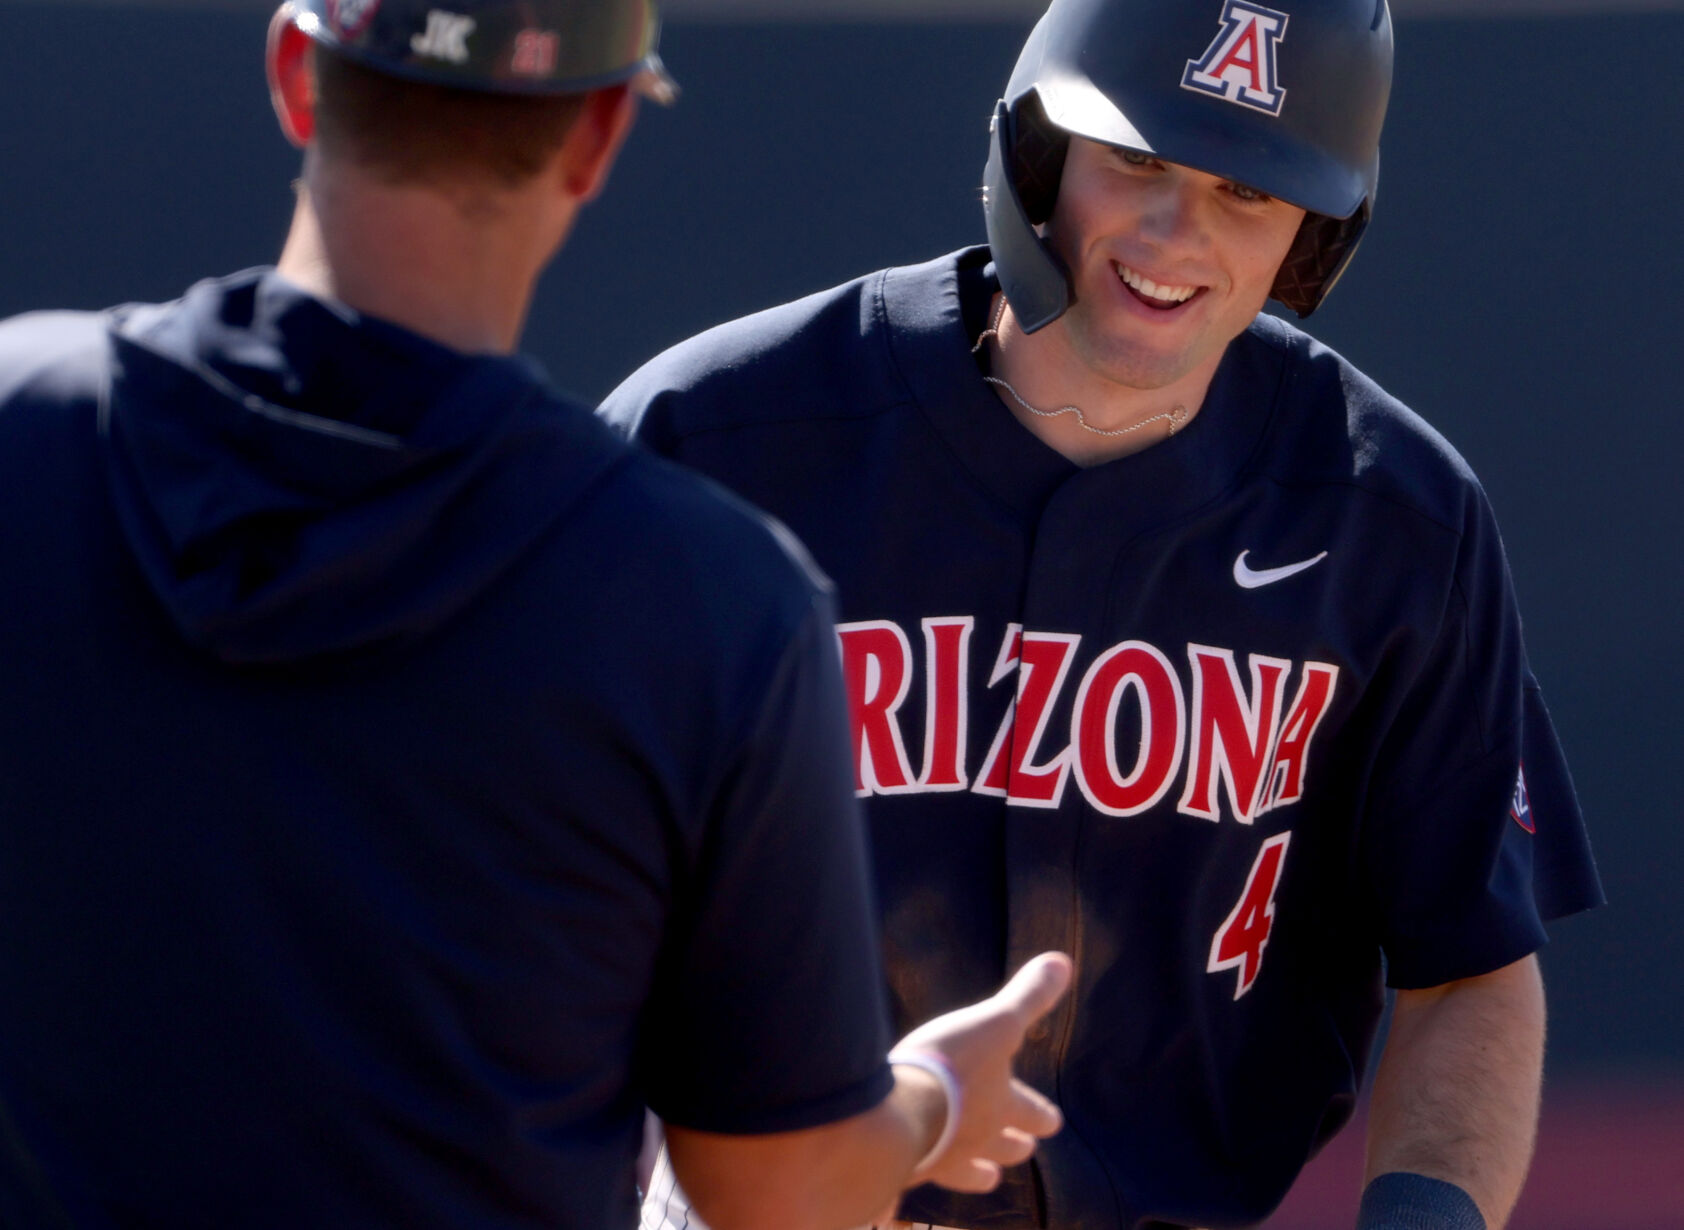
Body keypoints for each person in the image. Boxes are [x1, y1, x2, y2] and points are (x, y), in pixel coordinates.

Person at [0, 2, 1075, 1227]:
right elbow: (779, 1193)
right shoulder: (705, 602)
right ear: (598, 136)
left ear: (296, 72)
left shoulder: (21, 426)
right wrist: (932, 1094)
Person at [600, 0, 1605, 1227]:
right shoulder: (717, 442)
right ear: (1037, 153)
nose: (1180, 233)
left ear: (1315, 232)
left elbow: (1472, 969)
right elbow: (524, 901)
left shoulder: (1393, 519)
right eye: (1137, 161)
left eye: (1249, 188)